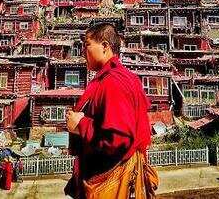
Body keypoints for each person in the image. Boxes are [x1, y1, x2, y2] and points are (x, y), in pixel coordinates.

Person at [65, 23, 159, 199]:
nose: (83, 51)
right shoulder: (119, 77)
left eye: (87, 45)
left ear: (105, 46)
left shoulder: (113, 82)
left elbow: (118, 140)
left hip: (112, 178)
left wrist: (81, 125)